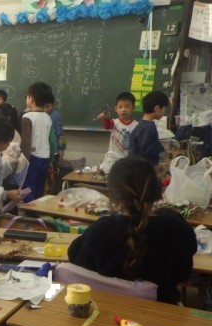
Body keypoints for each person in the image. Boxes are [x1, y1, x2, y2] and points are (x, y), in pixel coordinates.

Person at [68, 155, 196, 304]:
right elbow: (183, 275)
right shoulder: (175, 228)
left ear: (114, 196)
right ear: (157, 190)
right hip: (161, 311)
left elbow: (76, 260)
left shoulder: (101, 229)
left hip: (106, 309)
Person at [21, 82, 53, 201]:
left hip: (32, 158)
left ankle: (29, 211)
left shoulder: (27, 117)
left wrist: (23, 163)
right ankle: (38, 211)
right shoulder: (47, 117)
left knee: (27, 190)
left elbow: (26, 142)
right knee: (39, 190)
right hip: (45, 158)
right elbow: (50, 140)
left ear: (31, 99)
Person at [96, 92, 138, 174]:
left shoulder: (136, 125)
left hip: (128, 161)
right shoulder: (114, 122)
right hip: (113, 161)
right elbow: (107, 125)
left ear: (133, 108)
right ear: (116, 109)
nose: (123, 109)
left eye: (127, 106)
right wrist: (105, 118)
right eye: (120, 107)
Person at [128, 90, 169, 165]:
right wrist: (162, 147)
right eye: (164, 108)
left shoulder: (144, 124)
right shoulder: (147, 127)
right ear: (157, 108)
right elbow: (147, 149)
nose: (164, 111)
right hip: (140, 167)